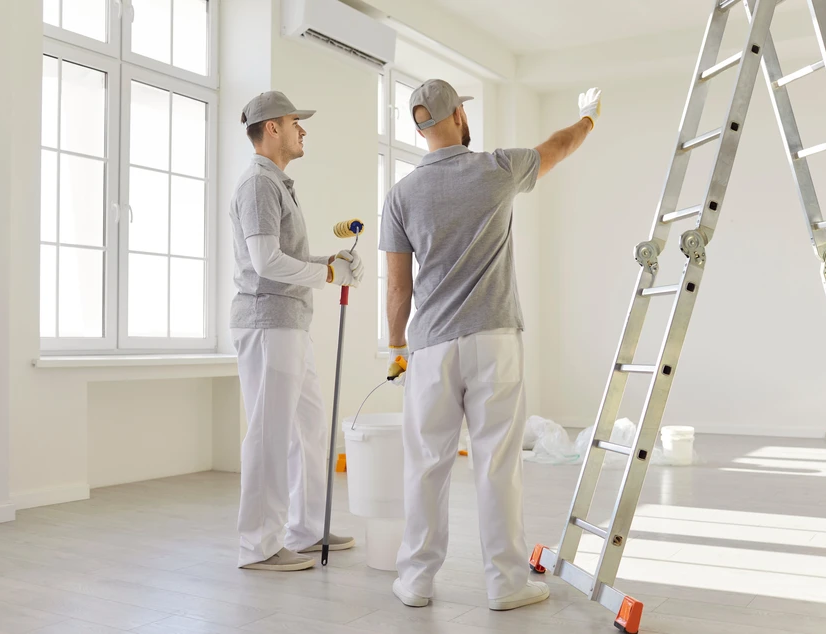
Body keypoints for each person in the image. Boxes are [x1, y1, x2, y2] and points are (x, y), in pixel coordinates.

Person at [379, 79, 601, 609]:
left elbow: (396, 287)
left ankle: (415, 581)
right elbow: (559, 146)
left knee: (427, 464)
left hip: (430, 347)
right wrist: (589, 118)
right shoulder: (496, 169)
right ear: (457, 115)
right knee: (497, 463)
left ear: (419, 126)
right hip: (493, 338)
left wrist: (395, 349)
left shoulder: (401, 194)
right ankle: (506, 583)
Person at [229, 91, 364, 572]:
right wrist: (327, 275)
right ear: (271, 129)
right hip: (268, 322)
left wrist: (330, 262)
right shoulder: (259, 186)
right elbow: (265, 263)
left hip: (290, 322)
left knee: (308, 427)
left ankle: (307, 529)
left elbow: (282, 257)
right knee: (270, 432)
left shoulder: (278, 185)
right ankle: (259, 545)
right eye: (294, 122)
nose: (302, 130)